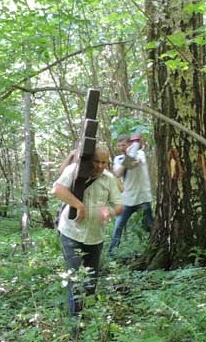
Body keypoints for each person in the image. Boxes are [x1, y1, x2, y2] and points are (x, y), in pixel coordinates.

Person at [52, 146, 123, 317]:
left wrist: (110, 211)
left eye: (104, 162)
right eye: (97, 161)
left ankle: (88, 316)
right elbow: (57, 189)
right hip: (71, 232)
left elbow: (119, 205)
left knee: (91, 280)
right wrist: (78, 205)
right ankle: (75, 323)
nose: (100, 166)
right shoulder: (74, 170)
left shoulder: (109, 179)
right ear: (90, 159)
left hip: (95, 236)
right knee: (74, 278)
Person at [108, 132, 154, 257]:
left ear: (129, 144)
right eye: (119, 146)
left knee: (150, 226)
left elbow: (134, 163)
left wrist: (135, 147)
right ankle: (112, 254)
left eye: (123, 145)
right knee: (118, 227)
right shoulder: (118, 159)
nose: (121, 148)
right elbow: (117, 173)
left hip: (143, 198)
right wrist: (129, 155)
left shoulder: (140, 154)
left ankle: (151, 249)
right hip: (127, 199)